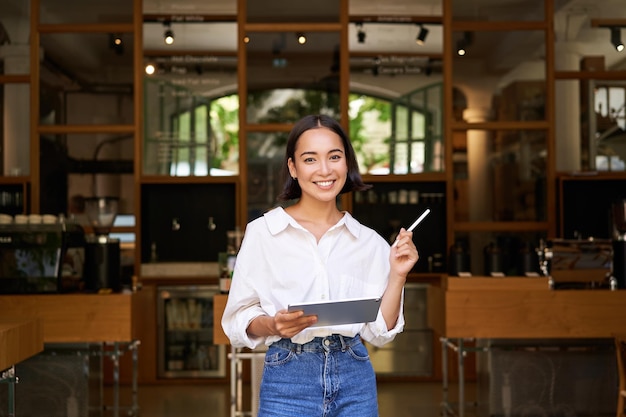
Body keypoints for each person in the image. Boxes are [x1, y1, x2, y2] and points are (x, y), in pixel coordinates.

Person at [221, 114, 419, 417]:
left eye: (335, 157)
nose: (325, 170)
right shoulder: (263, 232)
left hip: (355, 375)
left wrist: (398, 276)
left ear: (347, 163)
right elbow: (239, 318)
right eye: (310, 159)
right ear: (293, 167)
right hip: (287, 376)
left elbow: (380, 331)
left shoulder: (369, 242)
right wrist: (273, 324)